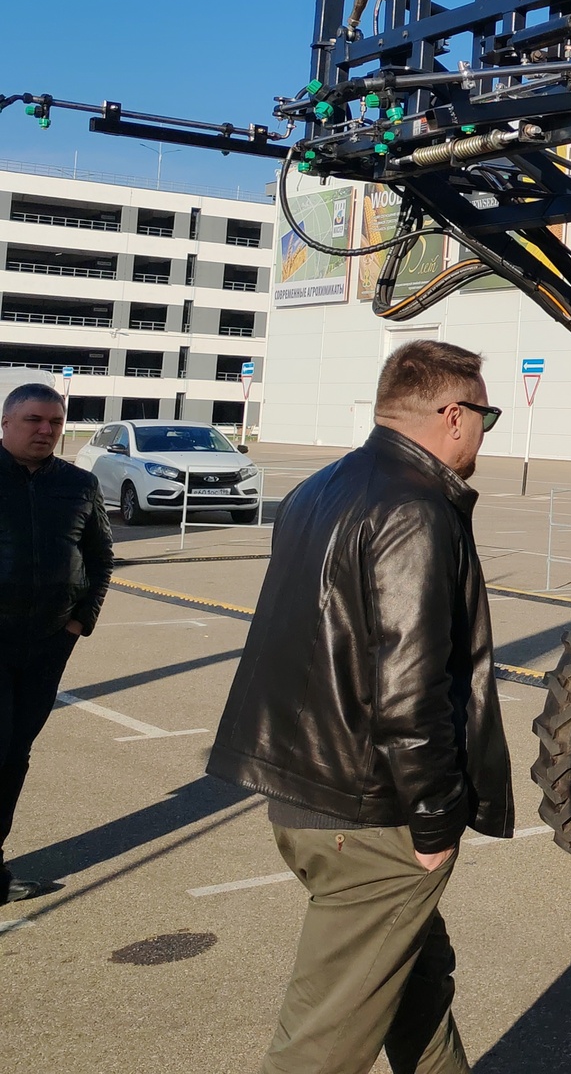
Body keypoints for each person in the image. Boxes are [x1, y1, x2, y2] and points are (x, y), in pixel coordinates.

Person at [209, 341, 512, 1074]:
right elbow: (409, 689)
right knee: (318, 1047)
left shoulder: (319, 489)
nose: (482, 433)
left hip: (303, 795)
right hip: (374, 816)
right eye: (485, 416)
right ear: (453, 414)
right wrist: (438, 819)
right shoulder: (414, 508)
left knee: (413, 988)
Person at [0, 382, 114, 904]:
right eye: (33, 420)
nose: (46, 430)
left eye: (55, 421)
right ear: (6, 422)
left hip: (47, 643)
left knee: (15, 754)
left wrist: (79, 622)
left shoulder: (79, 485)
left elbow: (100, 558)